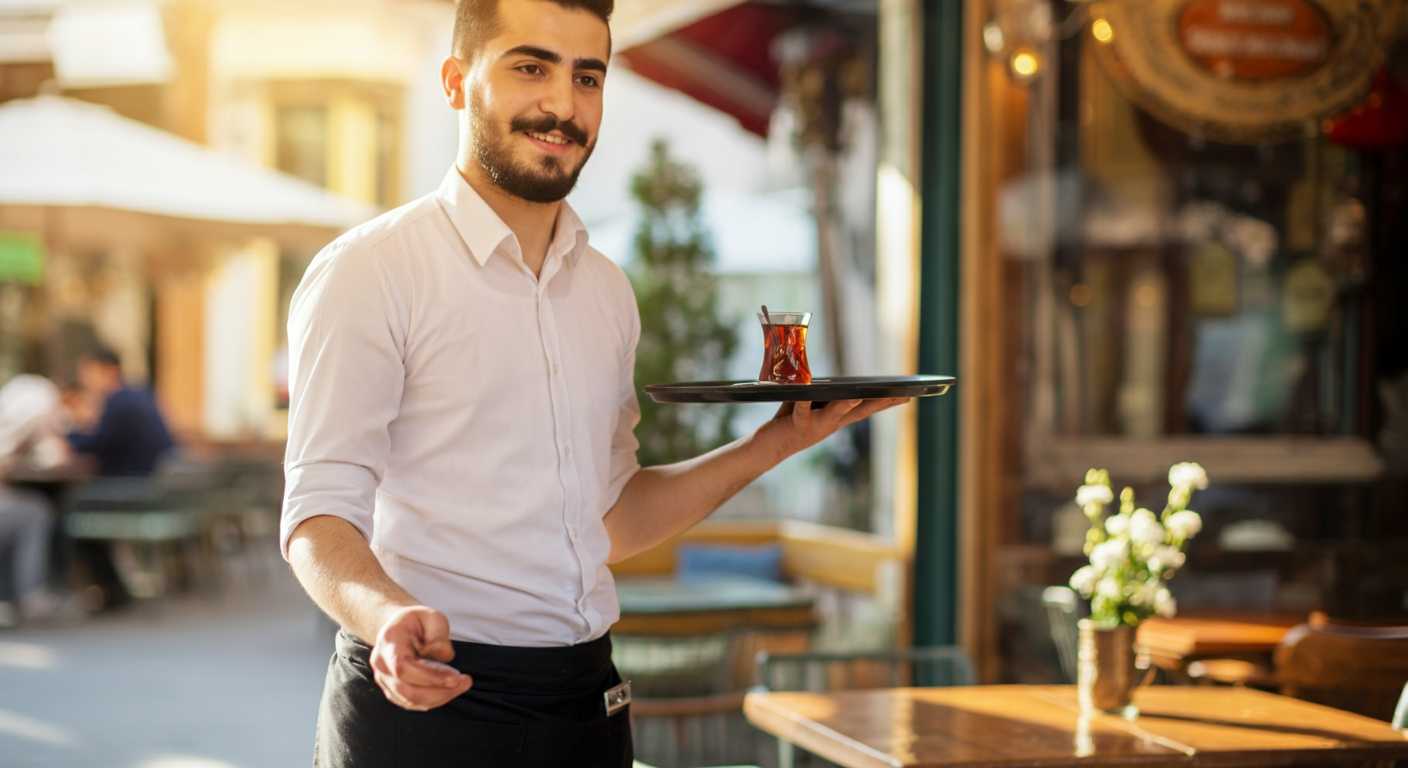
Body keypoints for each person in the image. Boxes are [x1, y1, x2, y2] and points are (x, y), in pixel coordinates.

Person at [280, 1, 908, 765]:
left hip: (589, 699)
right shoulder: (369, 272)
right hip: (428, 701)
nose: (562, 105)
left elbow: (610, 517)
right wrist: (385, 617)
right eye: (529, 67)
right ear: (455, 81)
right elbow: (317, 516)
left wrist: (775, 443)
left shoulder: (607, 290)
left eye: (588, 77)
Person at [0, 374, 70, 624]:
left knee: (29, 509)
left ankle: (10, 597)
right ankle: (31, 595)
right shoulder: (33, 407)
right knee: (35, 512)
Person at [66, 348, 174, 476]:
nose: (85, 381)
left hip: (135, 484)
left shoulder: (120, 403)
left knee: (74, 493)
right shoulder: (135, 394)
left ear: (109, 369)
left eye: (88, 373)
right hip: (148, 480)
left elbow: (96, 444)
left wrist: (69, 436)